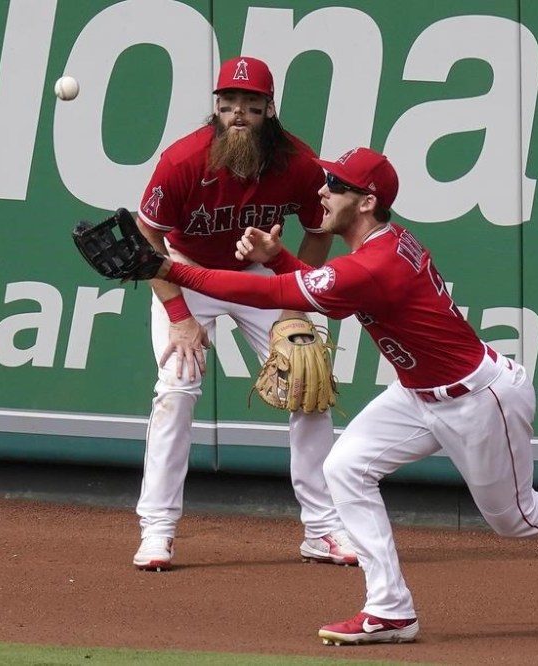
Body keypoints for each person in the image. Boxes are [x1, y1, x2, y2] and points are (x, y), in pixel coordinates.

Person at [147, 146, 538, 645]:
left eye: (336, 186)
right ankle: (390, 610)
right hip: (417, 395)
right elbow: (328, 292)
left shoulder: (373, 265)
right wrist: (277, 257)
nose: (322, 190)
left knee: (517, 519)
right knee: (345, 467)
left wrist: (171, 270)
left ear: (367, 202)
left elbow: (275, 295)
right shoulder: (378, 247)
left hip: (479, 400)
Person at [131, 56, 358, 571]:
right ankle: (158, 530)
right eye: (228, 103)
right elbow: (148, 239)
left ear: (268, 109)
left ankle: (322, 530)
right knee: (176, 389)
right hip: (188, 271)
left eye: (250, 106)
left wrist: (297, 297)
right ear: (216, 107)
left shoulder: (297, 162)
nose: (237, 113)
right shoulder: (183, 160)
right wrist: (178, 312)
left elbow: (320, 227)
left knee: (310, 385)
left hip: (259, 277)